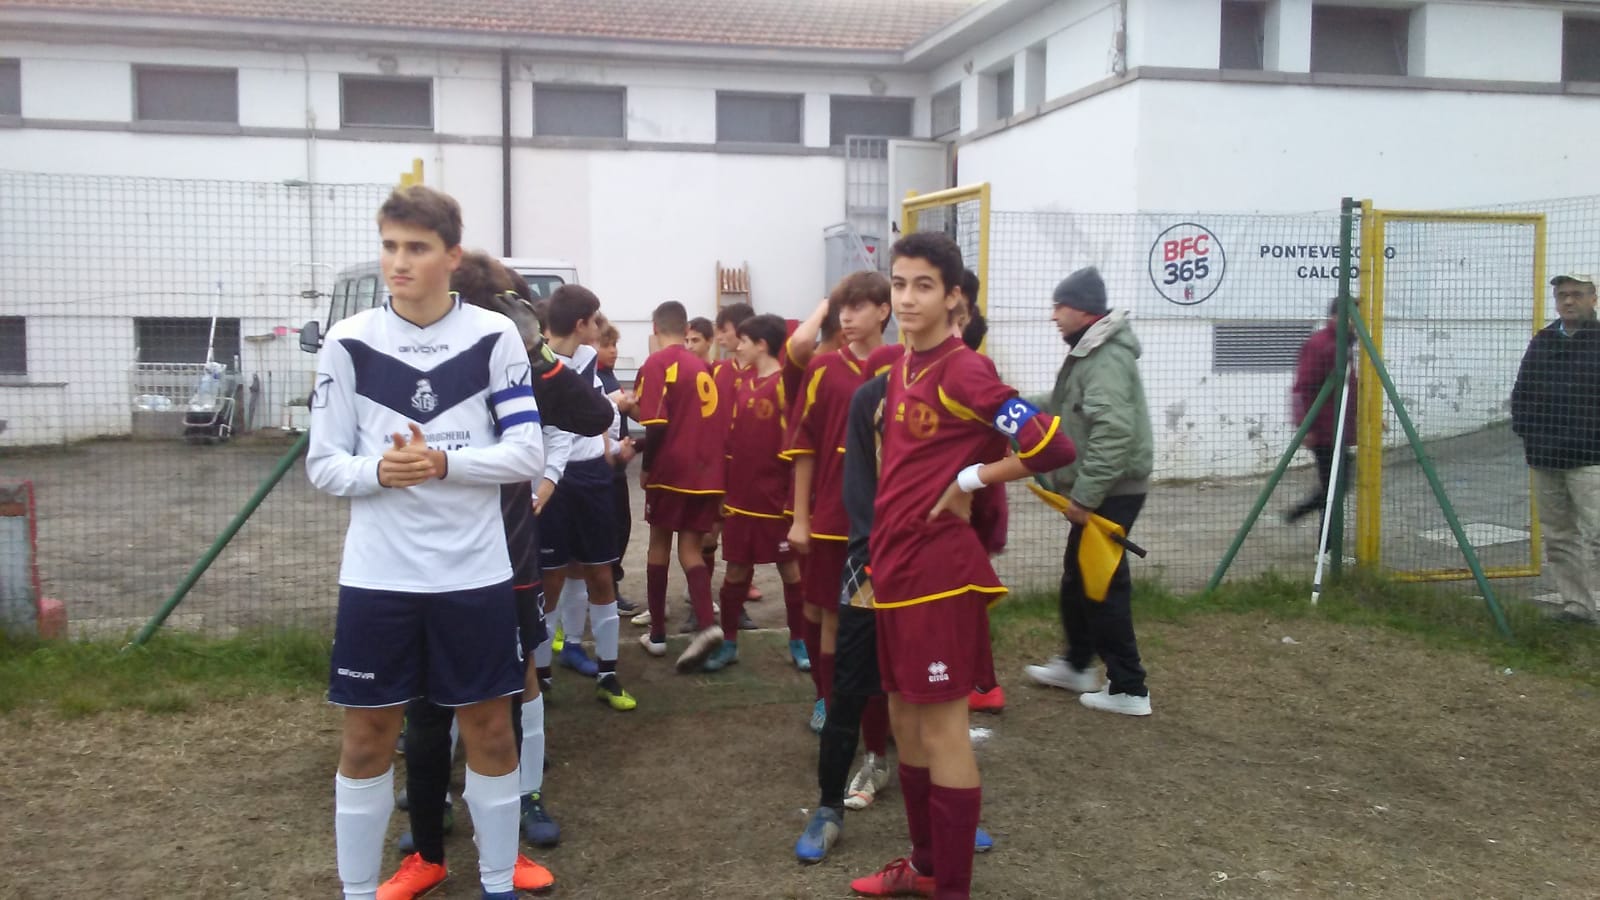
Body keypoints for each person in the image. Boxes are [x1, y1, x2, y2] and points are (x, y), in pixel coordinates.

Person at [307, 186, 544, 900]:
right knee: (367, 741)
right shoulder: (348, 341)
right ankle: (356, 889)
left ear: (450, 256)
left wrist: (446, 462)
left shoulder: (494, 338)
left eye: (415, 248)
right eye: (389, 246)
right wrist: (381, 470)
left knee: (490, 734)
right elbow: (324, 465)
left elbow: (527, 453)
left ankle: (498, 883)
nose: (398, 262)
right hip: (380, 579)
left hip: (473, 576)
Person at [849, 232, 1076, 900]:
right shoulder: (903, 367)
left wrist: (973, 477)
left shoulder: (963, 368)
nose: (908, 297)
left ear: (954, 299)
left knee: (942, 727)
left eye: (923, 285)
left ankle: (952, 888)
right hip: (894, 568)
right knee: (902, 722)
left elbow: (1051, 443)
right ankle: (924, 868)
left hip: (940, 574)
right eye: (899, 283)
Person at [382, 254, 613, 900]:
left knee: (508, 697)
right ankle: (428, 841)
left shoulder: (515, 360)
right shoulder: (412, 362)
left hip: (502, 560)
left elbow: (595, 418)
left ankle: (509, 832)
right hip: (421, 561)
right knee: (427, 710)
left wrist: (537, 353)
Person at [1022, 266, 1155, 718]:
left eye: (1059, 306)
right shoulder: (1090, 353)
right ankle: (1077, 664)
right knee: (1079, 576)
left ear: (1081, 309)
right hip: (1105, 488)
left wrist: (1085, 496)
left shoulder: (1106, 357)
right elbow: (1068, 407)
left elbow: (1114, 432)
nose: (1054, 316)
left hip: (1113, 489)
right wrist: (1017, 405)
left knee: (1102, 582)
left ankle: (1129, 686)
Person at [784, 272, 891, 741]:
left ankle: (880, 715)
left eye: (858, 307)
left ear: (884, 311)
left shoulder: (903, 368)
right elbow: (804, 446)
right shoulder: (824, 369)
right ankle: (827, 701)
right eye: (841, 309)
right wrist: (801, 518)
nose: (846, 317)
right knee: (829, 613)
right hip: (832, 520)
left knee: (882, 622)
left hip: (888, 522)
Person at [535, 284, 637, 711]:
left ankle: (609, 674)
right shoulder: (536, 363)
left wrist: (610, 433)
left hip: (594, 476)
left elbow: (600, 413)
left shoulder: (590, 358)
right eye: (595, 320)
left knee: (600, 574)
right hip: (555, 483)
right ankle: (539, 679)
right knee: (551, 580)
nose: (601, 327)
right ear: (581, 324)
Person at [625, 300, 729, 670]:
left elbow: (656, 423)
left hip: (673, 470)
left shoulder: (657, 364)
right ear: (685, 330)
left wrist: (647, 465)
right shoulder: (701, 365)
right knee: (690, 548)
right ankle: (706, 624)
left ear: (654, 327)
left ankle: (657, 634)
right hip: (706, 471)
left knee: (657, 543)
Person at [702, 313, 807, 673]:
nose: (738, 345)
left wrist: (795, 501)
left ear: (762, 345)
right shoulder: (740, 382)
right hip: (741, 501)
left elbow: (796, 448)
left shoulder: (783, 385)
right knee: (735, 574)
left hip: (775, 503)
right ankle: (728, 642)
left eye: (744, 340)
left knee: (791, 572)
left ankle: (799, 640)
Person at [1511, 270, 1600, 623]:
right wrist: (1529, 435)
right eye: (1563, 294)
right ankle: (1577, 605)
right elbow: (1522, 394)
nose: (1568, 300)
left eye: (1577, 294)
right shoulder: (1543, 341)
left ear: (1593, 299)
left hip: (1591, 459)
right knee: (1559, 537)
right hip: (1546, 459)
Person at [1282, 297, 1359, 525]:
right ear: (1337, 317)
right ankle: (1319, 539)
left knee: (1335, 487)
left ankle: (1302, 520)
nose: (1357, 323)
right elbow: (1300, 388)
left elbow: (1348, 388)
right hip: (1324, 430)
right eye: (1352, 318)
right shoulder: (1321, 345)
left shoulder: (1343, 344)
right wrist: (1304, 426)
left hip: (1338, 428)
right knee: (1335, 488)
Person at [594, 319, 639, 616]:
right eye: (606, 345)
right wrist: (613, 404)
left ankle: (611, 583)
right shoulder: (589, 376)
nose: (612, 351)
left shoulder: (608, 374)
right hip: (601, 465)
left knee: (622, 526)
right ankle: (606, 589)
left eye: (614, 345)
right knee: (606, 529)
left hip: (618, 465)